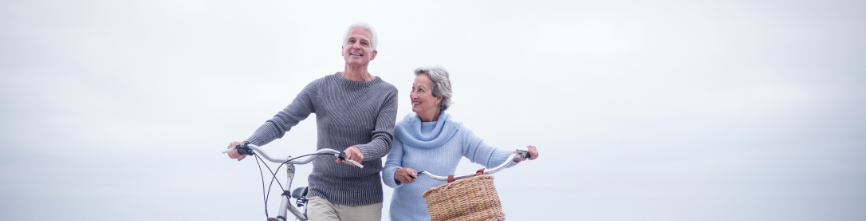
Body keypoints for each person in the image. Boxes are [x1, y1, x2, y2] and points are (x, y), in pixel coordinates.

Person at [226, 23, 398, 221]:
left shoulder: (386, 93)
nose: (357, 46)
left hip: (364, 198)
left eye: (364, 43)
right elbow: (282, 121)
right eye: (351, 41)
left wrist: (361, 151)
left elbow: (384, 140)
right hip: (322, 192)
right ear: (342, 50)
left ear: (373, 54)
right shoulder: (319, 88)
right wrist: (249, 143)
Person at [382, 67, 539, 221]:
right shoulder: (402, 130)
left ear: (438, 97)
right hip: (401, 217)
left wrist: (518, 155)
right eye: (413, 88)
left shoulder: (457, 133)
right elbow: (388, 171)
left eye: (420, 90)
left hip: (441, 217)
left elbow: (489, 156)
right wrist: (397, 174)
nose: (413, 95)